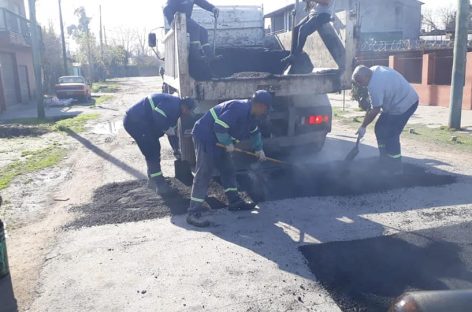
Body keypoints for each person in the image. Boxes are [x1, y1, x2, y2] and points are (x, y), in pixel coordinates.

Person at [187, 90, 273, 227]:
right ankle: (193, 212)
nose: (265, 113)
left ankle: (234, 201)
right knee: (204, 172)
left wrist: (258, 149)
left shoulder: (252, 115)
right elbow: (219, 126)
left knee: (228, 169)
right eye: (266, 109)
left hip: (220, 140)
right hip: (206, 136)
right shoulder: (238, 108)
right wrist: (227, 143)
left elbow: (254, 132)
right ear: (260, 105)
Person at [352, 65, 419, 174]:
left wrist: (363, 126)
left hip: (405, 104)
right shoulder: (374, 70)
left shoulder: (375, 85)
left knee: (391, 134)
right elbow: (374, 106)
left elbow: (375, 110)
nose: (360, 85)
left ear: (366, 76)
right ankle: (384, 159)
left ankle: (396, 168)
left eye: (360, 81)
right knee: (380, 127)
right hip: (395, 103)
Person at [124, 94, 196, 195]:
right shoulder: (173, 104)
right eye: (189, 111)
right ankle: (160, 185)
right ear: (184, 106)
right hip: (135, 122)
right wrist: (166, 128)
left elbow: (172, 134)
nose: (188, 113)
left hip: (142, 123)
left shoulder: (177, 111)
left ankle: (154, 180)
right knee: (152, 152)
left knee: (153, 150)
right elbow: (158, 115)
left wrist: (176, 149)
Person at [282, 0, 336, 64]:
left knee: (303, 29)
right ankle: (292, 54)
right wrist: (308, 4)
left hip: (323, 15)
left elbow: (326, 2)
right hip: (312, 14)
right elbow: (314, 5)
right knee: (295, 29)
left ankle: (298, 54)